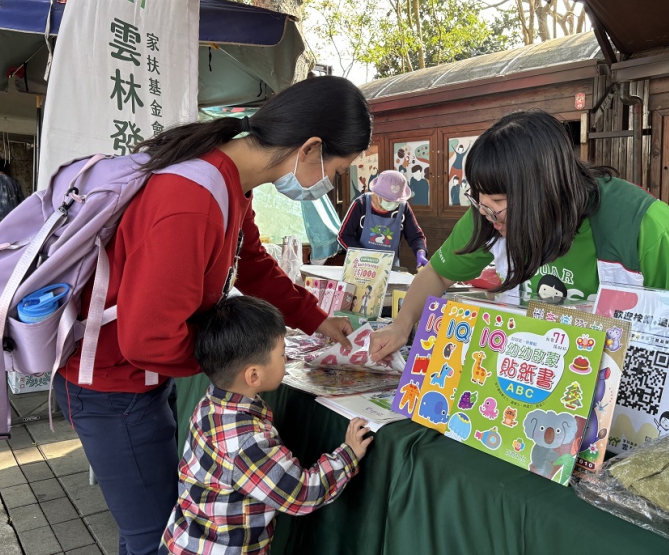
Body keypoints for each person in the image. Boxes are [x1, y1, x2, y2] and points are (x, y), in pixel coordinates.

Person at [53, 75, 372, 555]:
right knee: (150, 536)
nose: (330, 185)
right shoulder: (193, 199)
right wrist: (239, 363)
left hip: (137, 381)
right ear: (310, 149)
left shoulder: (228, 183)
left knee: (158, 525)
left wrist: (316, 319)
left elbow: (254, 265)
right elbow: (147, 340)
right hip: (111, 386)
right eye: (337, 170)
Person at [370, 109, 669, 422]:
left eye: (498, 203)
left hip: (619, 411)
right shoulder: (490, 217)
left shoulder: (644, 225)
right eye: (479, 200)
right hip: (526, 396)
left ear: (544, 189)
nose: (486, 213)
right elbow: (438, 272)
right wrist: (401, 326)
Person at [160, 296, 371, 555]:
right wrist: (347, 457)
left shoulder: (211, 404)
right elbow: (300, 493)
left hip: (187, 541)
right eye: (282, 354)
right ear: (254, 375)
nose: (286, 359)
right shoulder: (249, 442)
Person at [338, 169, 428, 269]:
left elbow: (416, 236)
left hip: (389, 268)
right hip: (360, 265)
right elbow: (343, 235)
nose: (393, 203)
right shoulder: (361, 204)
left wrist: (420, 252)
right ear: (378, 193)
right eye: (388, 200)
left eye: (396, 201)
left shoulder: (403, 207)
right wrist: (363, 255)